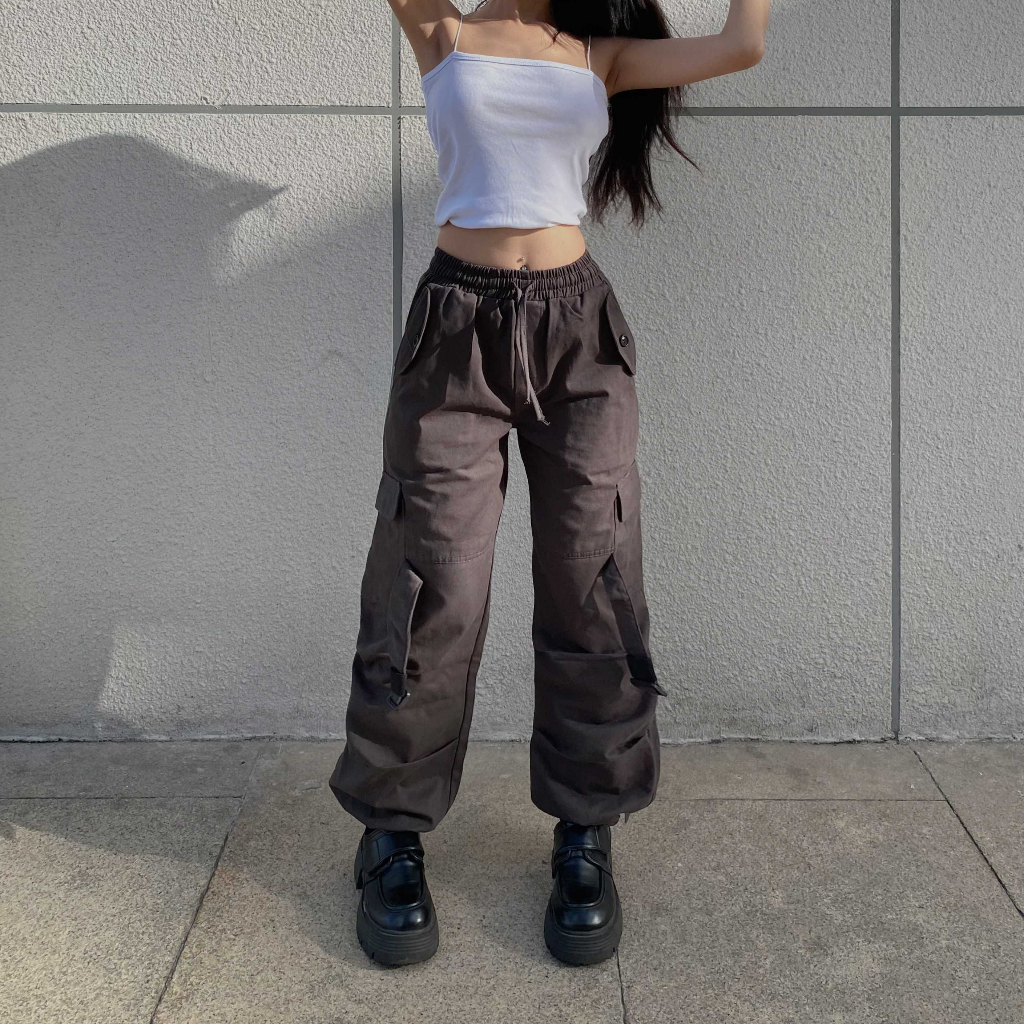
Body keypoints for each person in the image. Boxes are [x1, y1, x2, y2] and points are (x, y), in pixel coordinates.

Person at [329, 0, 769, 967]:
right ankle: (391, 834)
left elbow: (743, 44)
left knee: (594, 579)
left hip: (579, 333)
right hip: (455, 330)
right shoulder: (442, 32)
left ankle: (585, 831)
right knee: (432, 586)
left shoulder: (599, 52)